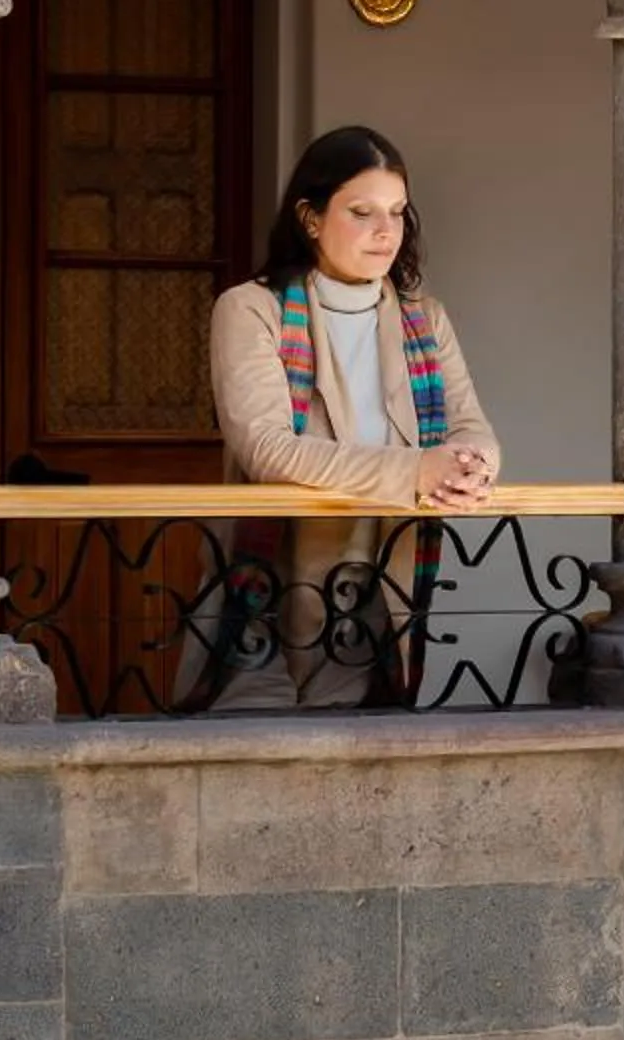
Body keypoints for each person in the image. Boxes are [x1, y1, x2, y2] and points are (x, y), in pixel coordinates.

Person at [184, 127, 501, 710]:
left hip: (384, 586)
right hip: (268, 590)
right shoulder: (250, 308)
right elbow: (268, 450)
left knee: (368, 745)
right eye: (362, 212)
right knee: (255, 743)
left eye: (398, 212)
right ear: (310, 217)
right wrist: (417, 471)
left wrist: (473, 466)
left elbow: (470, 427)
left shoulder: (424, 318)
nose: (386, 231)